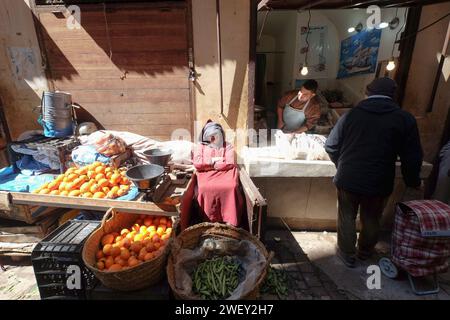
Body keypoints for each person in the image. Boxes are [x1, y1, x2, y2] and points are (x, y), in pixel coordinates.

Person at [325, 77, 423, 268]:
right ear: (393, 95)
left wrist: (343, 165)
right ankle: (365, 252)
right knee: (372, 217)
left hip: (348, 177)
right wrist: (413, 181)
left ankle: (347, 254)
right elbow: (412, 157)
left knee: (347, 215)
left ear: (368, 93)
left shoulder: (350, 115)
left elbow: (331, 146)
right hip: (379, 180)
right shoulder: (404, 119)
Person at [192, 120, 244, 227]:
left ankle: (229, 220)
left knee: (231, 187)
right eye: (210, 136)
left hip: (226, 173)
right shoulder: (200, 147)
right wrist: (214, 161)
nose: (213, 138)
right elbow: (197, 164)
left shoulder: (227, 146)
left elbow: (229, 163)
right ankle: (209, 219)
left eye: (216, 135)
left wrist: (210, 164)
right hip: (205, 175)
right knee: (204, 188)